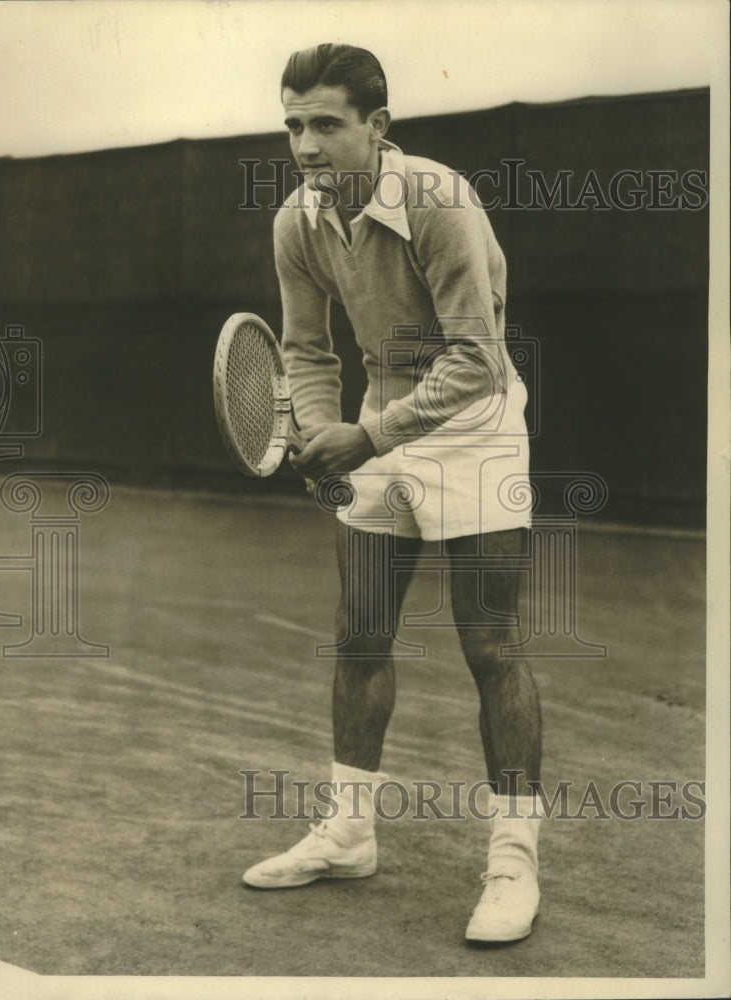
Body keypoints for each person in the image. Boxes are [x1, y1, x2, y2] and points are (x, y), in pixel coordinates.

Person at [242, 42, 544, 945]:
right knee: (359, 633)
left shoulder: (440, 203)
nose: (305, 144)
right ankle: (349, 833)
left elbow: (476, 361)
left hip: (475, 424)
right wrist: (322, 430)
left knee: (489, 645)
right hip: (376, 415)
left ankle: (515, 861)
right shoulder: (297, 220)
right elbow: (305, 349)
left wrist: (363, 437)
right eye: (293, 124)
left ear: (378, 128)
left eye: (326, 124)